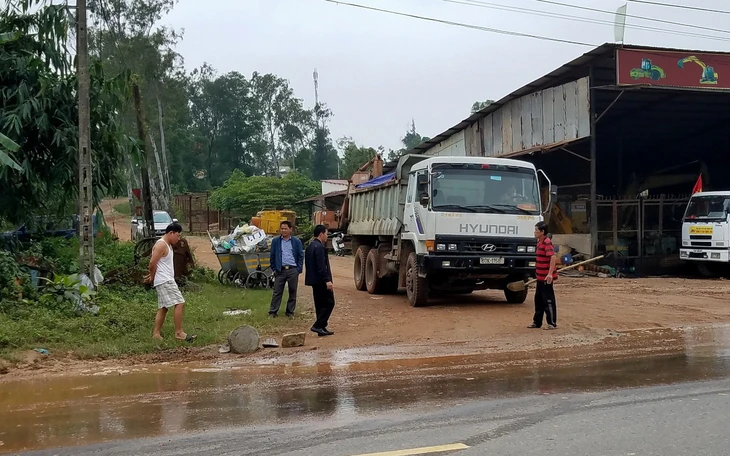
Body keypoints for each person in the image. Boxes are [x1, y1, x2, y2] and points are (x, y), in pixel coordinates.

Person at [144, 223, 196, 342]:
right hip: (165, 280)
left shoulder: (167, 244)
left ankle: (156, 334)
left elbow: (158, 264)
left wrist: (152, 275)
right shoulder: (162, 245)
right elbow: (152, 263)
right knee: (180, 303)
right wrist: (152, 276)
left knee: (163, 307)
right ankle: (179, 333)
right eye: (177, 236)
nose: (178, 239)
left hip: (164, 279)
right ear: (171, 233)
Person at [268, 221, 304, 318]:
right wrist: (275, 269)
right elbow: (272, 256)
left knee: (293, 291)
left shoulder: (296, 241)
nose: (283, 230)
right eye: (282, 228)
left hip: (293, 269)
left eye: (285, 228)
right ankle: (273, 312)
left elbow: (300, 256)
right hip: (280, 270)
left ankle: (290, 312)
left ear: (290, 229)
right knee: (277, 291)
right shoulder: (276, 241)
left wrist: (298, 269)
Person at [305, 224, 335, 336]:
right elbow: (322, 266)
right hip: (321, 280)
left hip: (313, 280)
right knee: (329, 303)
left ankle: (321, 327)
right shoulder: (320, 247)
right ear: (321, 234)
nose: (327, 236)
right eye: (326, 234)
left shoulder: (310, 246)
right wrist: (327, 280)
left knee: (320, 304)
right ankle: (318, 325)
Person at [529, 221, 558, 330]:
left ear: (542, 231)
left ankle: (552, 323)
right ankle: (537, 322)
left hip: (546, 277)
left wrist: (550, 274)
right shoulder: (539, 242)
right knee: (539, 300)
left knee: (548, 300)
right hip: (540, 277)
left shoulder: (546, 242)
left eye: (536, 230)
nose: (535, 232)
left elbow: (553, 257)